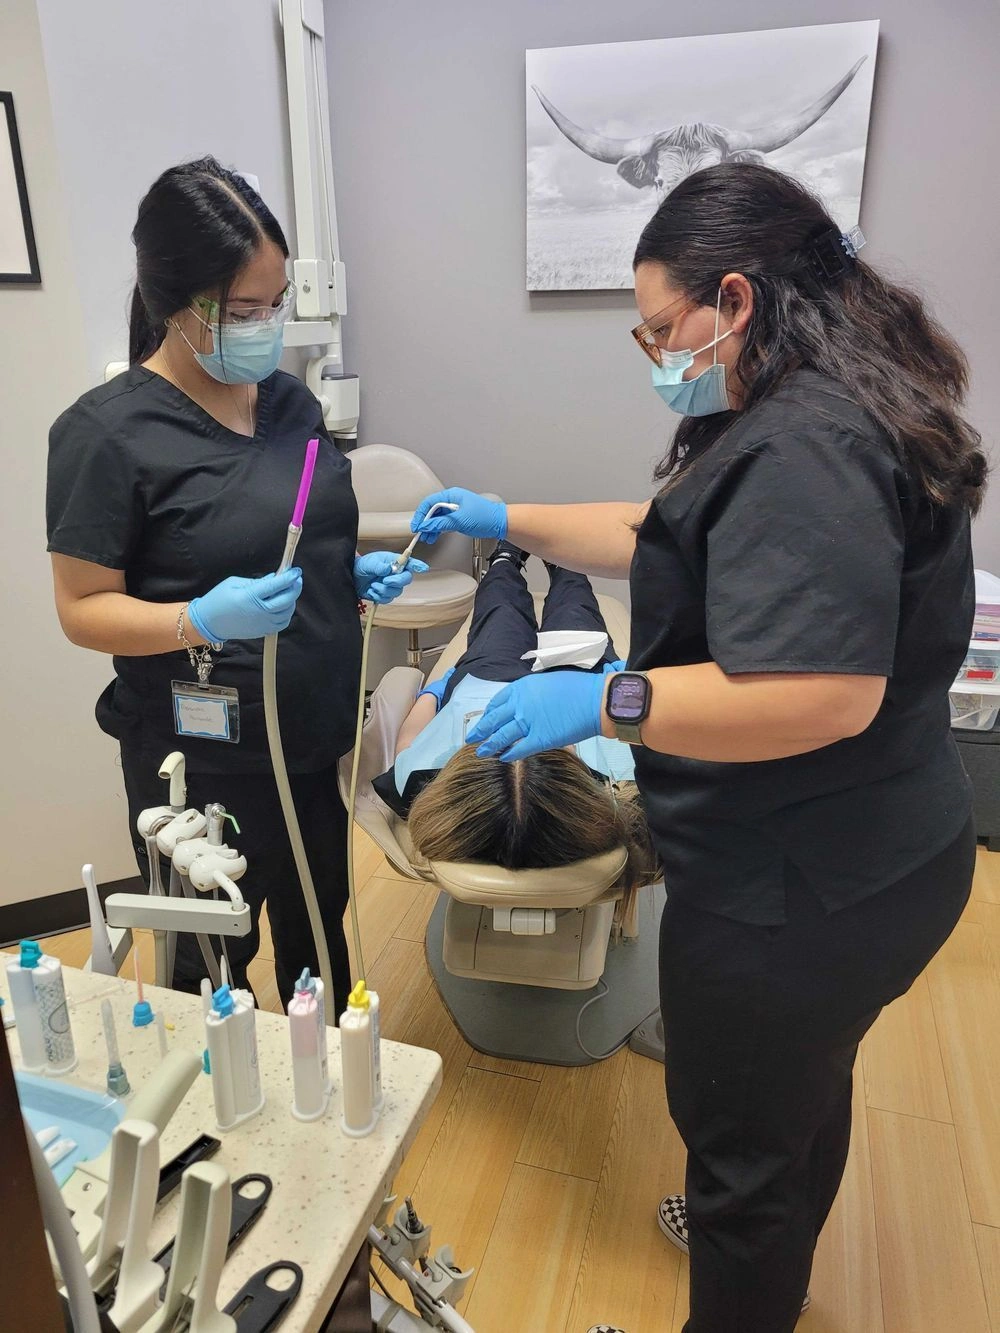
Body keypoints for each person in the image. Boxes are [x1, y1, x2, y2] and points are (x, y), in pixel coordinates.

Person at [410, 163, 987, 1333]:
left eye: (659, 329)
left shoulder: (804, 446)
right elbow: (658, 530)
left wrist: (607, 705)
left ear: (734, 298)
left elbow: (821, 695)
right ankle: (762, 1220)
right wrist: (499, 516)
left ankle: (745, 1251)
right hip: (879, 850)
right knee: (796, 1093)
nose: (656, 355)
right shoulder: (811, 399)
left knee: (740, 1149)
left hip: (801, 882)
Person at [46, 158, 425, 1014]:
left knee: (319, 954)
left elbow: (306, 529)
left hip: (311, 747)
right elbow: (81, 609)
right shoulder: (106, 436)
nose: (264, 328)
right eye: (241, 311)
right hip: (198, 763)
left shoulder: (290, 406)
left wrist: (346, 572)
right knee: (207, 976)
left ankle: (327, 1118)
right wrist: (196, 616)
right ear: (174, 303)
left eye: (275, 304)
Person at [372, 541, 657, 918]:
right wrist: (611, 680)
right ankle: (563, 559)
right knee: (576, 606)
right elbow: (637, 702)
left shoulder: (423, 783)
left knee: (500, 608)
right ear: (577, 771)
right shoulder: (621, 778)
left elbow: (409, 739)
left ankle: (506, 556)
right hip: (577, 682)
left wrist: (439, 688)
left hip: (486, 676)